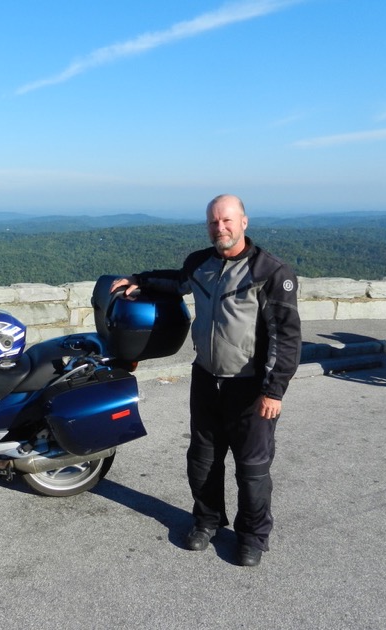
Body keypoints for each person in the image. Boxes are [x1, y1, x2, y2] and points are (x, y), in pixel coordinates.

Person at [111, 194, 301, 567]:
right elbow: (175, 282)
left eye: (228, 220)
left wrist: (274, 389)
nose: (221, 228)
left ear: (244, 222)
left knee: (252, 469)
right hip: (206, 378)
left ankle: (253, 537)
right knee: (203, 460)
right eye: (214, 222)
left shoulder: (271, 272)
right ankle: (207, 520)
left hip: (251, 388)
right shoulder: (199, 263)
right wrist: (138, 281)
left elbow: (287, 336)